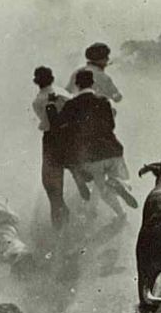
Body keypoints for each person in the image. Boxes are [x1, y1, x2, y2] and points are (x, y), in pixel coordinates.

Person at [48, 69, 137, 222]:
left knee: (101, 188)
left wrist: (51, 106)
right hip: (113, 151)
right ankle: (119, 189)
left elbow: (57, 125)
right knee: (115, 181)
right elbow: (111, 125)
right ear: (93, 84)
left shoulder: (71, 105)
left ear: (76, 84)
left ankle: (117, 211)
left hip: (92, 157)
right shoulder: (103, 102)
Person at [31, 66, 75, 229]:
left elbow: (44, 120)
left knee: (50, 183)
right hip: (70, 136)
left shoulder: (38, 101)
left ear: (37, 81)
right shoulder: (63, 93)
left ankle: (58, 211)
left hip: (52, 140)